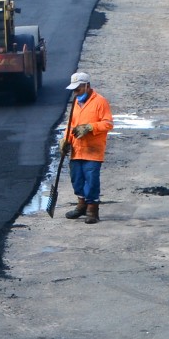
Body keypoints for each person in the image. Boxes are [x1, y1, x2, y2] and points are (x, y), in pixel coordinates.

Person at [62, 70, 113, 224]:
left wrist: (90, 127)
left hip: (93, 150)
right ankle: (81, 205)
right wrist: (65, 140)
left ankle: (92, 210)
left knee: (91, 179)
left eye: (78, 89)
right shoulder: (76, 103)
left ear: (87, 86)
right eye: (74, 90)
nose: (76, 93)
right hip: (77, 149)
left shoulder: (100, 102)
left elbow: (108, 124)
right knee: (77, 179)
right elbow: (71, 124)